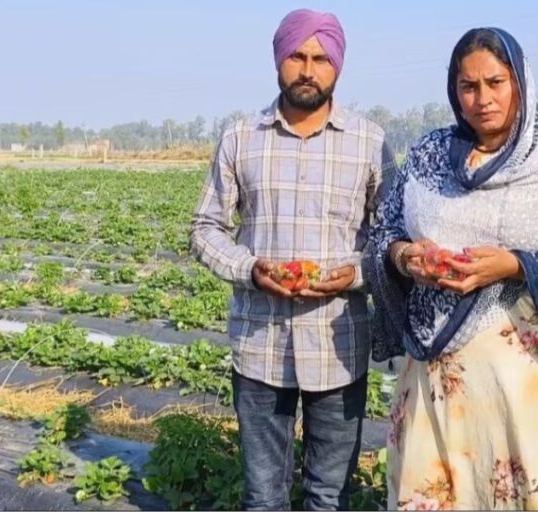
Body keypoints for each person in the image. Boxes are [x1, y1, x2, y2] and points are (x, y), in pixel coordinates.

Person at [364, 28, 538, 510]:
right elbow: (383, 233)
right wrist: (405, 257)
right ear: (453, 91)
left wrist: (515, 264)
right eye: (469, 86)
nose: (482, 99)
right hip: (434, 377)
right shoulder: (428, 157)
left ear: (521, 83)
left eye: (496, 83)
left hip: (521, 383)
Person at [189, 8, 396, 510]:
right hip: (260, 345)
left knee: (328, 494)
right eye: (298, 56)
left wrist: (357, 272)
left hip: (339, 348)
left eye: (321, 58)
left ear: (338, 67)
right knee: (264, 496)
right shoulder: (241, 137)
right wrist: (250, 270)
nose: (308, 69)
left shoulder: (371, 142)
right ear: (279, 59)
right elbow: (205, 228)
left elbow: (393, 237)